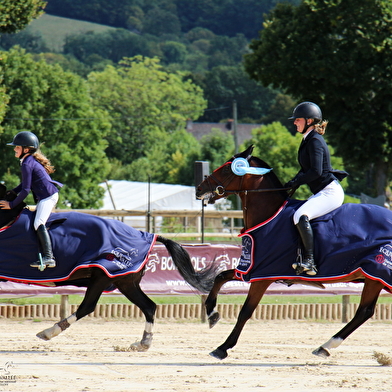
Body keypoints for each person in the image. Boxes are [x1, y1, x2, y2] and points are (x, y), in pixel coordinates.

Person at [284, 102, 347, 275]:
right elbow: (305, 170)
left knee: (300, 215)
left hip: (330, 192)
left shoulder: (315, 141)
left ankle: (310, 261)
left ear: (309, 121)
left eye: (298, 120)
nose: (295, 123)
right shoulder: (308, 140)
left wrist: (296, 181)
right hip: (322, 191)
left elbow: (316, 171)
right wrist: (291, 183)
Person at [0, 131, 63, 269]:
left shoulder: (27, 163)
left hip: (48, 197)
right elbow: (24, 184)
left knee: (38, 223)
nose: (14, 149)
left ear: (26, 149)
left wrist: (11, 205)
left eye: (17, 147)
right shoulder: (28, 161)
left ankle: (49, 257)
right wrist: (13, 192)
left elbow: (26, 190)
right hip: (45, 196)